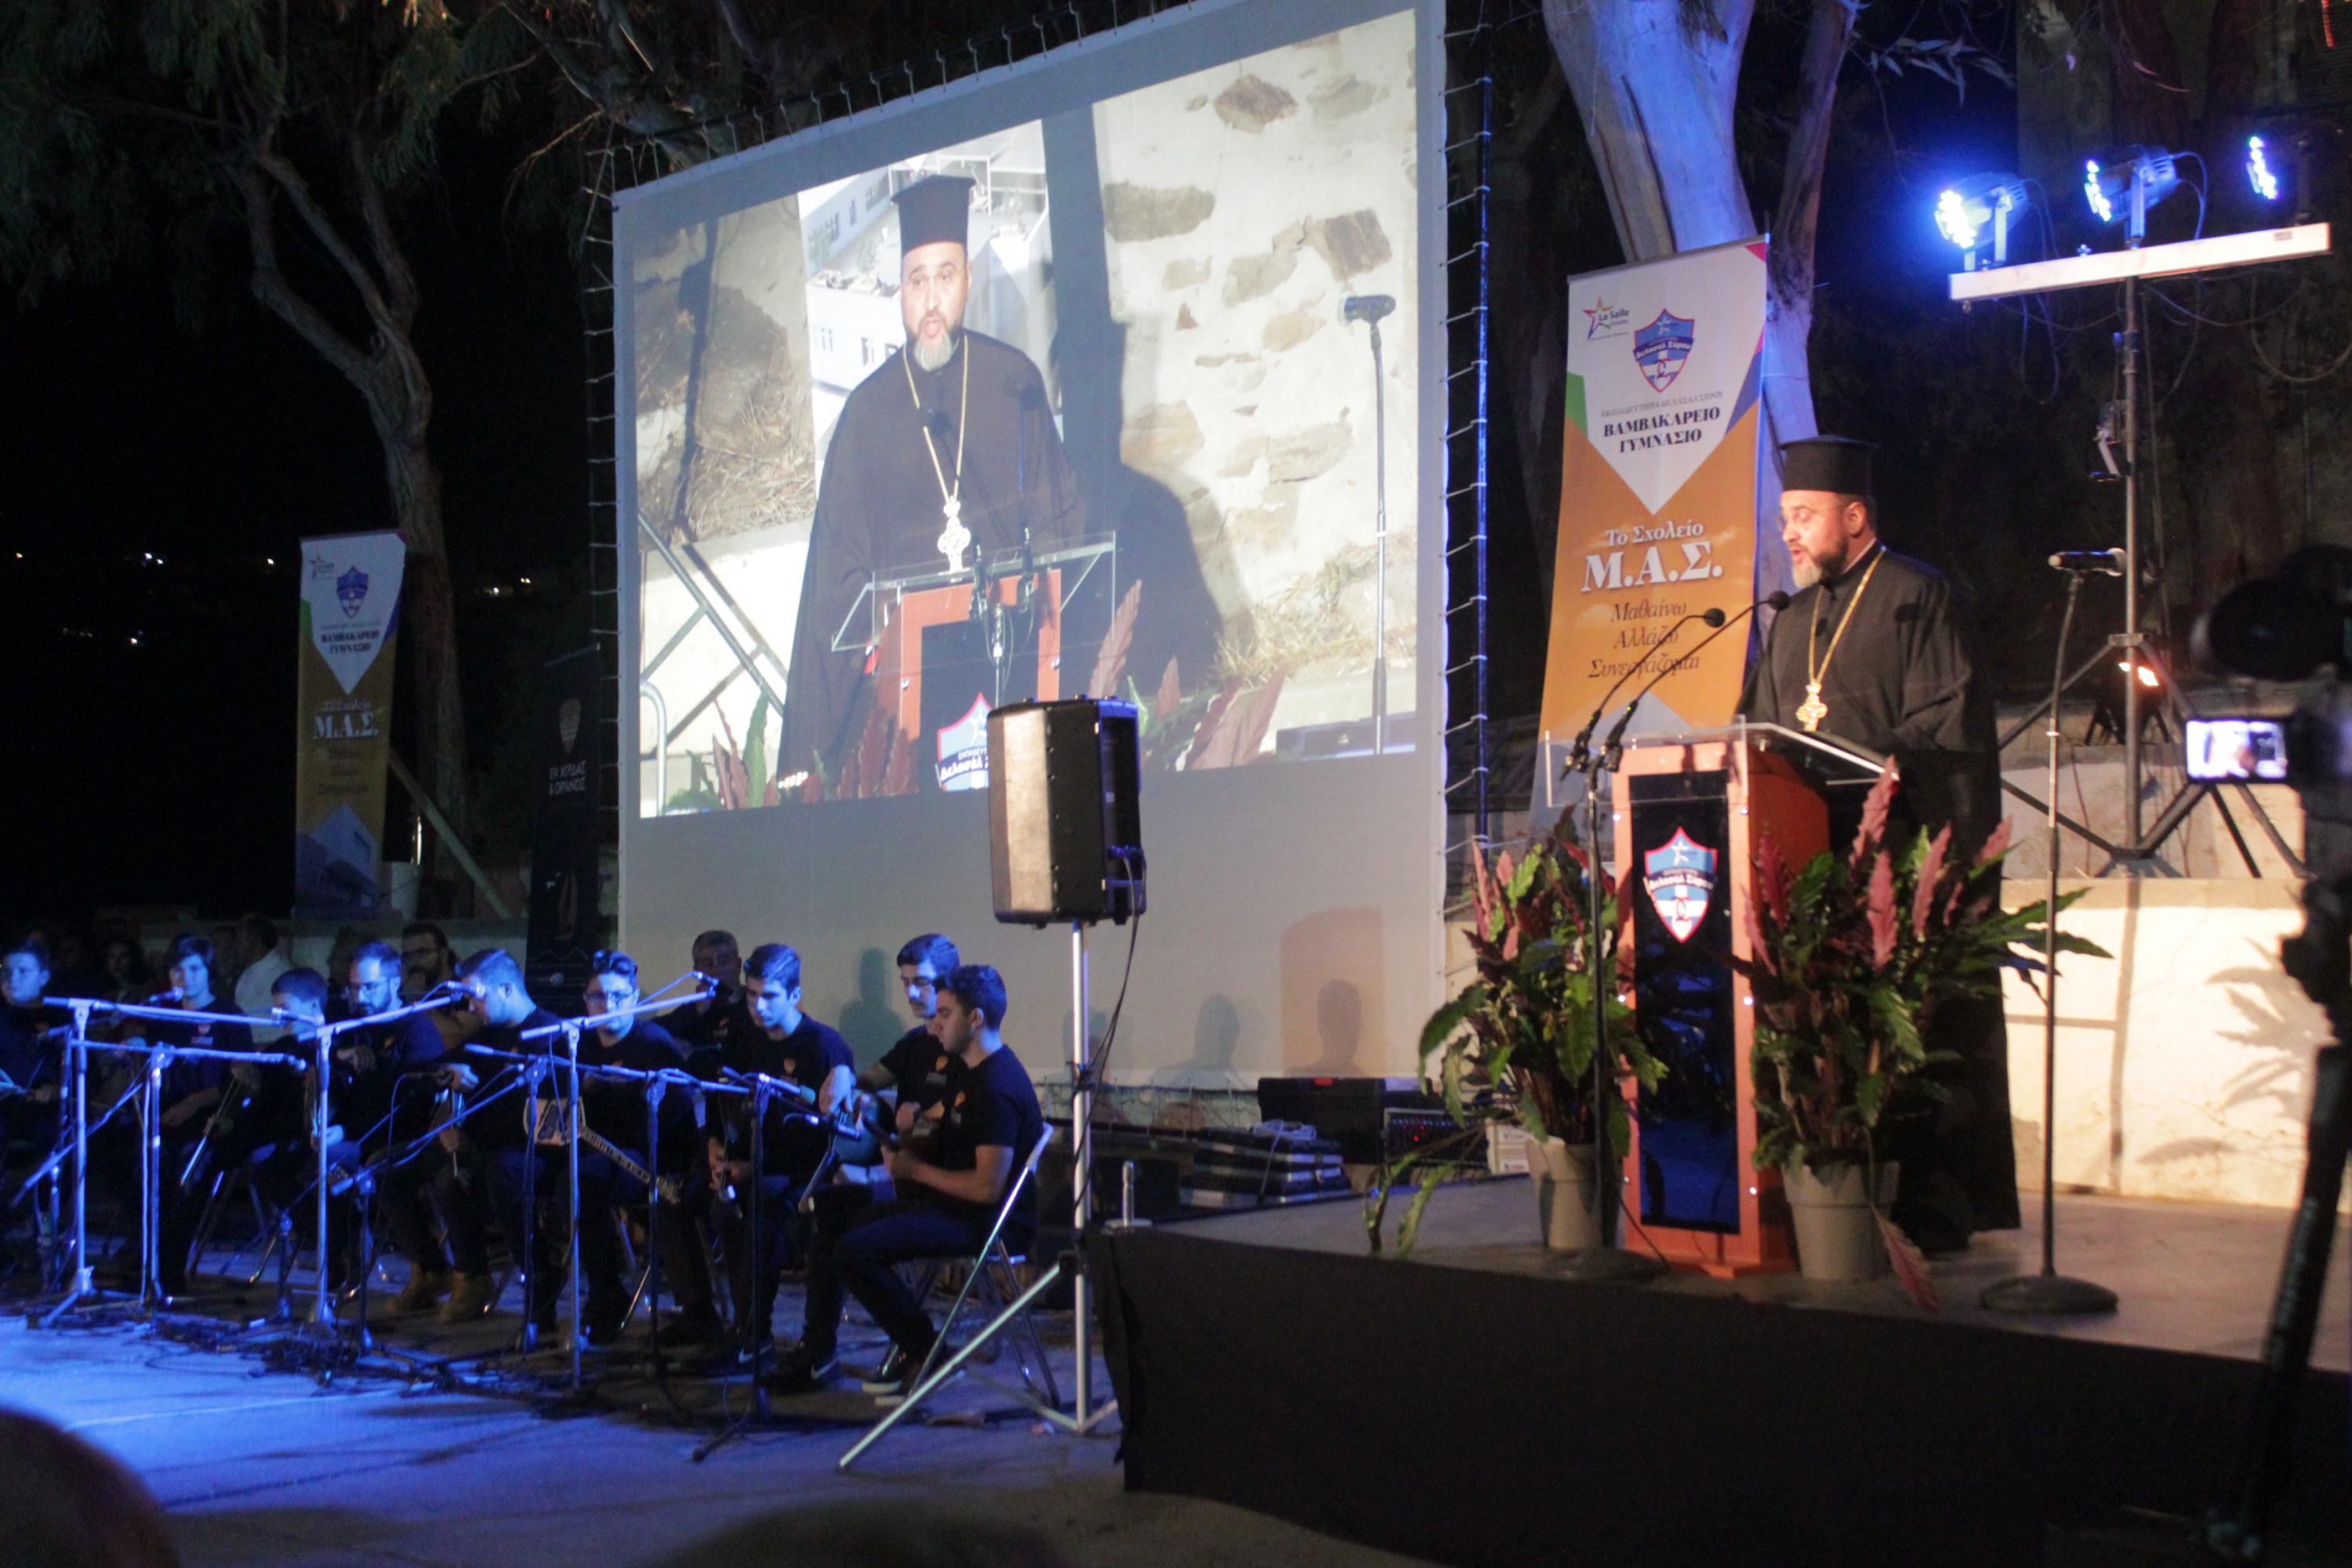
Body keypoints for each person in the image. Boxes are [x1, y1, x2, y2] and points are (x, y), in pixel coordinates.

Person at [1737, 434, 2015, 1250]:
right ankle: (1830, 1194)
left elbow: (1949, 724)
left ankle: (1932, 1205)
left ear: (1854, 517)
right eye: (1784, 518)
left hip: (1903, 854)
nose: (1788, 533)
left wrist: (1874, 763)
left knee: (1919, 1030)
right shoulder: (1791, 619)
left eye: (1804, 516)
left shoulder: (1918, 596)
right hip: (1816, 868)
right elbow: (1761, 735)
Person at [779, 172, 1086, 782]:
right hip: (903, 698)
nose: (931, 300)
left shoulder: (1013, 383)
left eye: (945, 277)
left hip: (1009, 670)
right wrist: (810, 755)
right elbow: (835, 581)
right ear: (901, 292)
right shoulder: (866, 414)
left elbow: (1061, 529)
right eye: (917, 281)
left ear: (968, 280)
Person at [768, 964, 1043, 1394]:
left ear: (975, 1020)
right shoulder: (969, 1071)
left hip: (984, 1221)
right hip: (949, 1204)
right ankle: (818, 1352)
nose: (936, 1022)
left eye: (946, 1014)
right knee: (831, 1208)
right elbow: (941, 1126)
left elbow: (986, 1188)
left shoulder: (996, 1086)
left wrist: (915, 1170)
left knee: (855, 1251)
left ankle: (929, 1353)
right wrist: (898, 1134)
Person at [678, 942, 852, 1353]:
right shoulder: (745, 1036)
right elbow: (723, 1095)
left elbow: (824, 1140)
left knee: (757, 1203)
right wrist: (715, 1144)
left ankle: (754, 1331)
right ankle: (700, 1314)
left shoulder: (822, 1045)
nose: (758, 1006)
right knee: (679, 1195)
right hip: (748, 1158)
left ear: (795, 995)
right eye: (752, 995)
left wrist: (751, 1167)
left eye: (769, 996)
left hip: (799, 1170)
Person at [561, 949, 689, 1345]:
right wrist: (584, 1089)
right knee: (533, 1172)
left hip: (651, 1156)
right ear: (586, 1000)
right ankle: (544, 1293)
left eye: (618, 996)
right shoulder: (579, 1043)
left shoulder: (653, 1044)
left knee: (583, 1182)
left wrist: (629, 1089)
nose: (608, 1005)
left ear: (633, 998)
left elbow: (677, 1118)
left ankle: (607, 1294)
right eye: (598, 996)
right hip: (595, 1148)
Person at [430, 949, 563, 1328]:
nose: (470, 1007)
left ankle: (540, 1274)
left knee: (501, 1169)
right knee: (410, 1166)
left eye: (477, 996)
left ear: (506, 989)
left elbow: (552, 1125)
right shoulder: (486, 1036)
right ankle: (461, 1275)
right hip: (485, 1151)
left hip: (534, 1153)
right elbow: (433, 1066)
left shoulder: (550, 1034)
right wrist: (448, 1072)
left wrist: (473, 1140)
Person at [129, 935, 268, 1298]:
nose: (185, 977)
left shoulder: (228, 1017)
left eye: (194, 969)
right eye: (177, 969)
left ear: (209, 972)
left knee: (188, 1174)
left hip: (211, 1122)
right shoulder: (164, 1015)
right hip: (164, 1118)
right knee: (140, 1166)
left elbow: (242, 1080)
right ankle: (143, 1264)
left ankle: (170, 1270)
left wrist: (194, 1104)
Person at [855, 934, 960, 1154]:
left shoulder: (965, 1048)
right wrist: (844, 1080)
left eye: (921, 982)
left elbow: (962, 1114)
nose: (911, 993)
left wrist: (920, 1119)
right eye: (906, 982)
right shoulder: (913, 1041)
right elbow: (868, 1081)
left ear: (949, 983)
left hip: (942, 1163)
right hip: (904, 1159)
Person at [664, 929, 748, 1065]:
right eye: (706, 963)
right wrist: (698, 1010)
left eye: (724, 961)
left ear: (738, 965)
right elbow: (653, 1034)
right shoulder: (694, 1011)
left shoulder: (756, 1004)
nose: (715, 970)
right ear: (696, 971)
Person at [230, 915, 292, 1046]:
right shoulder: (246, 973)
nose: (235, 945)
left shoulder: (283, 975)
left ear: (255, 940)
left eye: (240, 939)